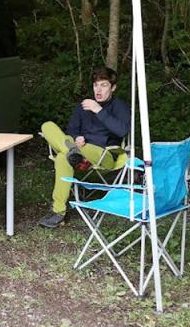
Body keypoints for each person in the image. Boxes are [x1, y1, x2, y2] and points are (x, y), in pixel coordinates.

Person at [38, 66, 131, 228]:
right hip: (80, 153)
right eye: (96, 85)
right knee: (47, 126)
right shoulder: (83, 106)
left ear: (113, 87)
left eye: (103, 85)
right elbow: (72, 130)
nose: (98, 90)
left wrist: (99, 110)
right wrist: (76, 138)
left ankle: (58, 211)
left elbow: (122, 130)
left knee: (64, 154)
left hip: (104, 155)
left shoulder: (119, 107)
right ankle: (74, 154)